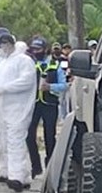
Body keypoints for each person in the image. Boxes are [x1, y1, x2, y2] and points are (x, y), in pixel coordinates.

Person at [0, 29, 37, 192]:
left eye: (0, 46)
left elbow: (26, 81)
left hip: (18, 108)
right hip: (4, 109)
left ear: (7, 44)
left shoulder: (24, 61)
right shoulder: (3, 63)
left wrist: (2, 88)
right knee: (9, 140)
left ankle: (16, 177)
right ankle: (23, 175)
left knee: (15, 140)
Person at [25, 37, 69, 177]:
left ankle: (51, 165)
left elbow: (64, 85)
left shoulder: (55, 65)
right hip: (33, 104)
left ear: (45, 49)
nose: (36, 52)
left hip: (50, 104)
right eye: (34, 49)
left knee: (49, 136)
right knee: (29, 135)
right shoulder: (29, 64)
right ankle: (35, 165)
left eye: (38, 49)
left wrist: (50, 87)